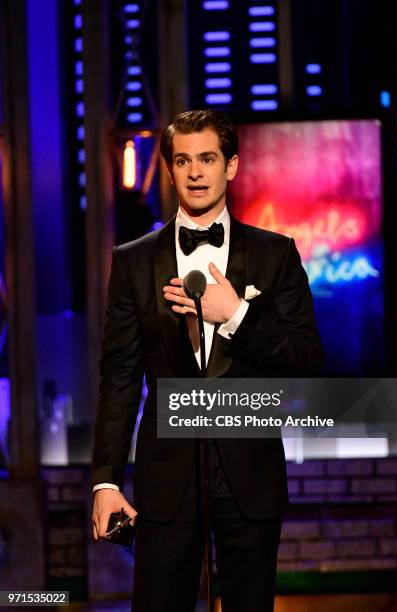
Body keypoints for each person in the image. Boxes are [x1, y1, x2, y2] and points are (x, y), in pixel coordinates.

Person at [91, 109, 323, 611]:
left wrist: (237, 314)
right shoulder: (132, 261)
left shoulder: (275, 254)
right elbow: (120, 377)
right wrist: (107, 480)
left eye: (208, 158)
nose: (196, 172)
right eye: (183, 160)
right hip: (167, 479)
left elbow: (306, 360)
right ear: (171, 171)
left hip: (249, 475)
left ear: (231, 166)